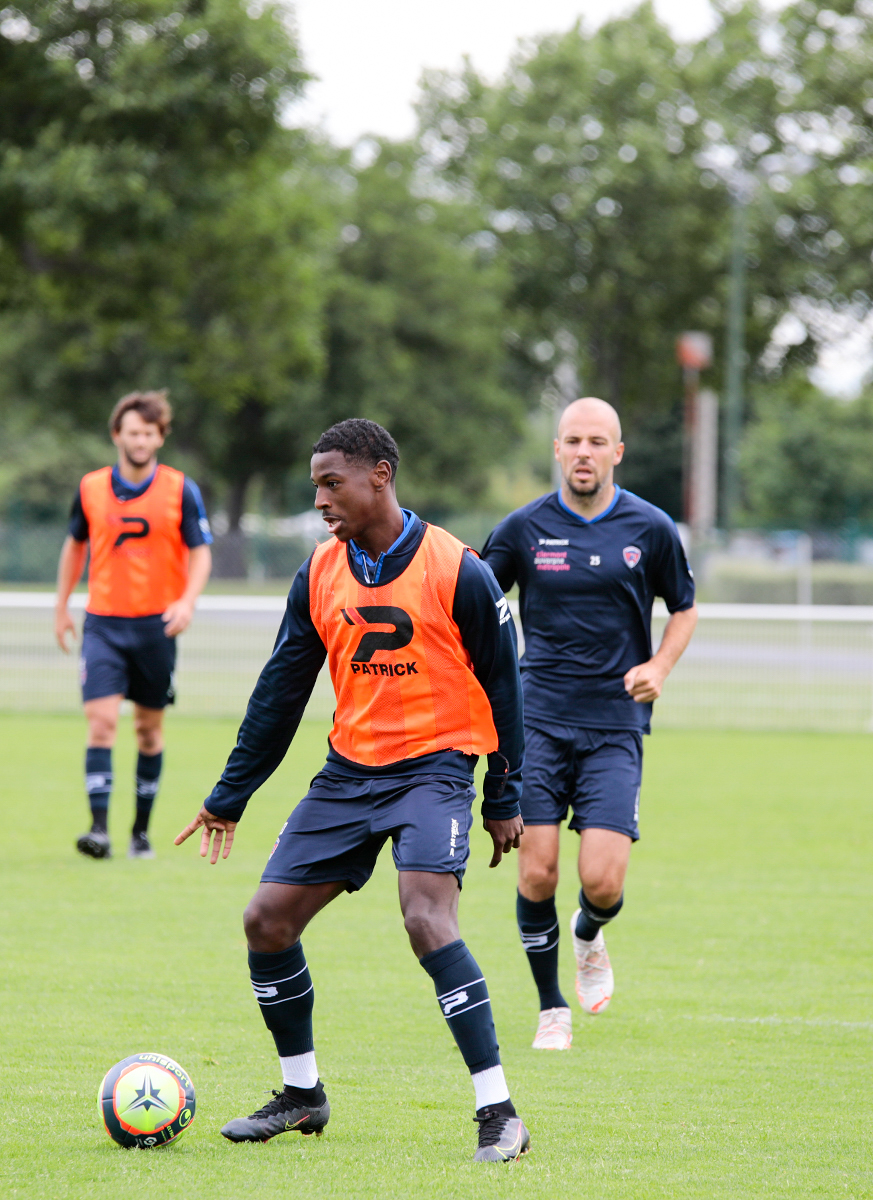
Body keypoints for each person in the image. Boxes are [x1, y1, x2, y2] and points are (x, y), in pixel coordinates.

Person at [174, 419, 531, 1163]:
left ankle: (498, 1112)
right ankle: (302, 1097)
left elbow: (505, 687)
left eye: (331, 483)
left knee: (427, 918)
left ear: (381, 475)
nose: (320, 500)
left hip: (434, 769)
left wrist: (504, 795)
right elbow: (279, 693)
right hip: (348, 774)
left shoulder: (457, 568)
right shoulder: (320, 572)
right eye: (315, 486)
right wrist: (228, 795)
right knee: (266, 921)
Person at [481, 397, 697, 1052]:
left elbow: (684, 609)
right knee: (537, 873)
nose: (584, 451)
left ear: (616, 453)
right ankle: (552, 1008)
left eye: (597, 441)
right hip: (536, 723)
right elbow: (476, 600)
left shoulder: (651, 527)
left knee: (603, 881)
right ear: (557, 449)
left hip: (614, 725)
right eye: (573, 440)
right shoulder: (521, 528)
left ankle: (587, 932)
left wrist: (659, 665)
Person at [54, 390, 213, 861]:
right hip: (103, 624)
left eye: (148, 432)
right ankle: (98, 830)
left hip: (155, 628)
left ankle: (140, 833)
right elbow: (74, 547)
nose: (139, 439)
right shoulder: (90, 488)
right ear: (116, 434)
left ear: (159, 437)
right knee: (100, 723)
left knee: (148, 731)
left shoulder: (181, 490)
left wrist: (187, 601)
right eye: (132, 431)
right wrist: (61, 605)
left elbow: (201, 552)